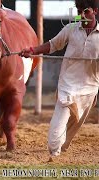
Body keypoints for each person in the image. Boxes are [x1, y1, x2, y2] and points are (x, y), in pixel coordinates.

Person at [20, 0, 99, 161]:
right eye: (79, 10)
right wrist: (33, 50)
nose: (81, 15)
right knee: (54, 141)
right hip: (67, 87)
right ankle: (54, 154)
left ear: (95, 11)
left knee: (72, 129)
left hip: (89, 89)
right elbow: (53, 45)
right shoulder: (71, 29)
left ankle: (61, 149)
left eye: (86, 11)